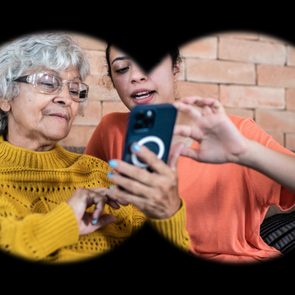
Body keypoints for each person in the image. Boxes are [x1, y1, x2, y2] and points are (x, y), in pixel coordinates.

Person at [85, 43, 295, 263]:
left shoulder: (236, 132)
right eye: (121, 69)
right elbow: (84, 199)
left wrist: (245, 152)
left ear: (175, 67)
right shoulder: (109, 130)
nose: (136, 76)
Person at [0, 33, 190, 264]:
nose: (65, 98)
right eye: (48, 82)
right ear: (5, 96)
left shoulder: (101, 174)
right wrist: (66, 220)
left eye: (74, 89)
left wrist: (167, 212)